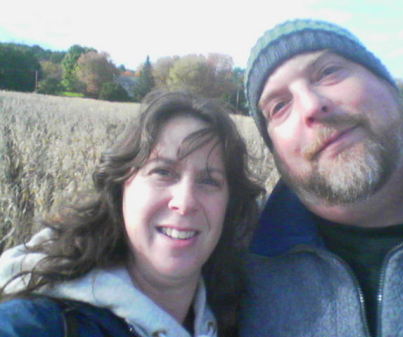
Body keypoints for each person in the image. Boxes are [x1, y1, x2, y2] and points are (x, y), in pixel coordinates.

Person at [239, 18, 403, 337]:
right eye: (279, 106)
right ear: (276, 152)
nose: (311, 106)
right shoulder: (235, 267)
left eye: (328, 72)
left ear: (389, 85)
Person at [0, 90, 261, 337]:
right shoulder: (43, 322)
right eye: (163, 172)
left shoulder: (248, 315)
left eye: (209, 181)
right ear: (121, 187)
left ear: (230, 205)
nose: (184, 202)